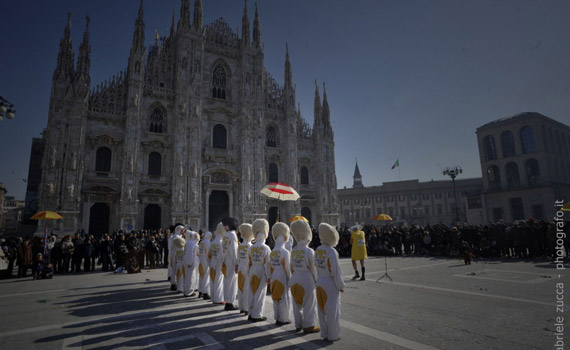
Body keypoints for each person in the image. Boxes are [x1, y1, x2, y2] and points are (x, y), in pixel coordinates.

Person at [315, 223, 345, 341]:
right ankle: (333, 335)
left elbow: (315, 265)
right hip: (330, 282)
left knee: (321, 310)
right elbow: (336, 271)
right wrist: (340, 285)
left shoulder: (317, 249)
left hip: (320, 281)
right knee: (333, 310)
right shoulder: (331, 251)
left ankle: (324, 334)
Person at [289, 220, 320, 334]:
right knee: (309, 302)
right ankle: (309, 325)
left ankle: (298, 324)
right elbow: (313, 268)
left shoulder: (293, 251)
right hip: (306, 278)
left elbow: (291, 266)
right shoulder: (309, 251)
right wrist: (316, 280)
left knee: (296, 303)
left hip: (295, 277)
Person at [247, 219, 272, 322]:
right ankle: (257, 315)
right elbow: (267, 264)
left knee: (251, 292)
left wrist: (249, 272)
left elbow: (249, 262)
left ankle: (250, 313)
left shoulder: (251, 247)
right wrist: (269, 276)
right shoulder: (266, 248)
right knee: (260, 293)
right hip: (261, 270)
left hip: (253, 269)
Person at [269, 222, 292, 325]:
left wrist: (269, 277)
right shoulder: (285, 252)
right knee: (284, 297)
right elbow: (287, 268)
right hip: (282, 275)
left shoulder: (272, 251)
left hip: (274, 275)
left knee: (275, 297)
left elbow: (268, 266)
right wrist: (290, 279)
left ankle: (277, 317)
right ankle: (284, 318)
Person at [221, 217, 239, 311]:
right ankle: (230, 303)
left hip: (225, 261)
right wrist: (237, 262)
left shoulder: (225, 235)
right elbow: (234, 250)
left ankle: (227, 301)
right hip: (231, 261)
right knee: (232, 283)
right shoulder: (232, 235)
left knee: (227, 282)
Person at [237, 223, 254, 315]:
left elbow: (237, 259)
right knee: (247, 288)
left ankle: (241, 307)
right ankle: (246, 307)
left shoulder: (240, 246)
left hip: (241, 267)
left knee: (240, 288)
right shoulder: (251, 246)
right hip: (248, 267)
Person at [208, 223, 225, 304]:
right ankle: (218, 299)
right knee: (219, 280)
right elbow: (221, 254)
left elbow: (209, 254)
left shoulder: (213, 241)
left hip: (213, 261)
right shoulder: (221, 242)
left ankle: (214, 297)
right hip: (219, 262)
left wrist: (209, 262)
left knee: (213, 280)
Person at [183, 231, 199, 297]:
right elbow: (190, 254)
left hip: (189, 262)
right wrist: (190, 262)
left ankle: (189, 290)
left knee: (189, 277)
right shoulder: (191, 243)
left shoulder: (189, 242)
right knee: (190, 277)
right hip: (190, 262)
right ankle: (188, 292)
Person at [168, 225, 184, 291]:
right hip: (176, 255)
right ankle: (174, 283)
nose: (183, 231)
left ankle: (175, 283)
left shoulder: (176, 236)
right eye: (182, 230)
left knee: (175, 269)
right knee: (175, 269)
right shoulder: (176, 237)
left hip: (175, 254)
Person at [198, 231, 212, 300]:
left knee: (201, 276)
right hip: (206, 261)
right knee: (206, 277)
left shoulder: (201, 242)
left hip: (201, 260)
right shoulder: (208, 243)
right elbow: (209, 253)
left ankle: (200, 291)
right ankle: (205, 293)